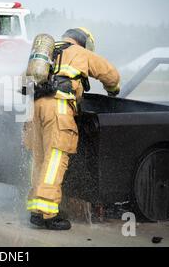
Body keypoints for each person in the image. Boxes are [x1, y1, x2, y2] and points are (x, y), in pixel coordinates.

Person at [24, 27, 121, 230]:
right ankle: (48, 214)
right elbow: (110, 75)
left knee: (40, 159)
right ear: (84, 42)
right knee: (55, 160)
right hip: (58, 109)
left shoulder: (47, 52)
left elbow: (24, 80)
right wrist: (113, 90)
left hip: (35, 108)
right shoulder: (81, 53)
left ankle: (36, 210)